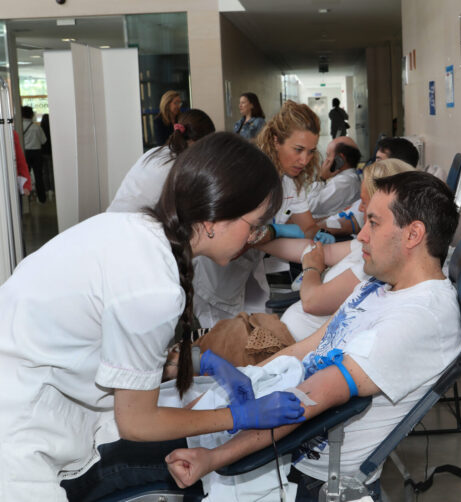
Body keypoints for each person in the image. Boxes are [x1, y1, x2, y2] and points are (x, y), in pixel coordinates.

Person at [0, 132, 306, 500]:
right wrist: (241, 417)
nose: (255, 238)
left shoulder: (136, 231)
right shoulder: (154, 286)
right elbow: (137, 422)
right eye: (254, 224)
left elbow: (112, 343)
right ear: (215, 216)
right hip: (15, 426)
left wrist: (198, 361)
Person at [165, 171, 461, 501]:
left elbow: (312, 397)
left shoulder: (419, 319)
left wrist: (214, 457)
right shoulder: (378, 286)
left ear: (413, 235)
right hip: (276, 426)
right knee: (157, 423)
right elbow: (308, 347)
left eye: (374, 223)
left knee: (126, 466)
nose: (362, 236)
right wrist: (245, 380)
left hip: (299, 468)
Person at [192, 100, 333, 328]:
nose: (304, 160)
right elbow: (236, 242)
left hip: (251, 274)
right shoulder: (247, 175)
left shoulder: (289, 182)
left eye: (311, 152)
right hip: (219, 274)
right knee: (223, 344)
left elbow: (307, 227)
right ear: (276, 141)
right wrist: (275, 231)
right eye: (298, 150)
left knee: (258, 334)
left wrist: (319, 233)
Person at [276, 158, 416, 342]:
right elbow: (318, 251)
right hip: (288, 336)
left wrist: (311, 269)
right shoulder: (366, 244)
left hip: (290, 342)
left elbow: (312, 301)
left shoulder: (375, 264)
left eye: (364, 203)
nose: (360, 208)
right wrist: (261, 238)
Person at [108, 109, 215, 213]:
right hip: (132, 225)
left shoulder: (155, 152)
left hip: (110, 219)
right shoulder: (178, 167)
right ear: (197, 142)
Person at [320, 138, 420, 237]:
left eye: (379, 161)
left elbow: (344, 224)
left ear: (395, 166)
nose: (373, 165)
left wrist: (311, 229)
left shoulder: (383, 202)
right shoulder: (373, 191)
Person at [307, 136, 362, 219]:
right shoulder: (350, 178)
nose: (326, 160)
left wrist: (320, 179)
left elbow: (309, 207)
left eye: (328, 155)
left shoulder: (343, 182)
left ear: (340, 159)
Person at [21, 105, 48, 203]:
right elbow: (44, 141)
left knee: (25, 176)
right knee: (39, 176)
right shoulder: (36, 127)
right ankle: (42, 199)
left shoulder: (19, 127)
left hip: (25, 153)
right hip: (37, 153)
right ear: (31, 115)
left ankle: (26, 200)